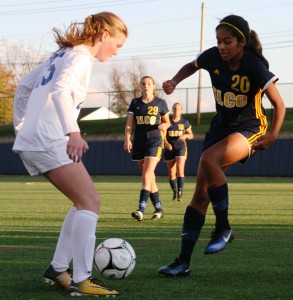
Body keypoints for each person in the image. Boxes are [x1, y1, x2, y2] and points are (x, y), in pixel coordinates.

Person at [158, 14, 285, 277]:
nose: (222, 46)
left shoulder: (254, 65)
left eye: (227, 41)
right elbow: (192, 65)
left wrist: (272, 134)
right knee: (200, 196)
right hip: (221, 127)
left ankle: (224, 227)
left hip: (251, 127)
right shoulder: (213, 56)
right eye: (218, 41)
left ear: (242, 42)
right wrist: (174, 81)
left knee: (208, 159)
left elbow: (279, 105)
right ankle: (182, 262)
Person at [12, 12, 128, 296]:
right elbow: (62, 91)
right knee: (90, 201)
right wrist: (72, 132)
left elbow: (24, 87)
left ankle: (58, 268)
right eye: (118, 44)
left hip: (36, 138)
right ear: (103, 35)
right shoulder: (79, 57)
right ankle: (81, 279)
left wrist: (22, 127)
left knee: (81, 202)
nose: (116, 51)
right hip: (49, 139)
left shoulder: (61, 54)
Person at [124, 76, 170, 221]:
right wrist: (127, 139)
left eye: (149, 84)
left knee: (146, 174)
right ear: (140, 86)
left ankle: (141, 209)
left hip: (155, 140)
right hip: (139, 142)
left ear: (153, 86)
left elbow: (167, 122)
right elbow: (129, 124)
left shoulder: (160, 103)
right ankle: (159, 209)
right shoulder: (135, 103)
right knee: (150, 178)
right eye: (143, 84)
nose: (146, 86)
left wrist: (165, 125)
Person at [164, 102, 193, 201]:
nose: (177, 110)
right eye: (175, 109)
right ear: (172, 110)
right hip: (169, 149)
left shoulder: (185, 122)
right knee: (171, 173)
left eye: (178, 109)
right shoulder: (168, 122)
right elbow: (163, 135)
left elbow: (191, 135)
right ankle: (175, 191)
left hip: (181, 148)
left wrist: (185, 135)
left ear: (181, 110)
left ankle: (180, 191)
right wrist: (166, 143)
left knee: (180, 169)